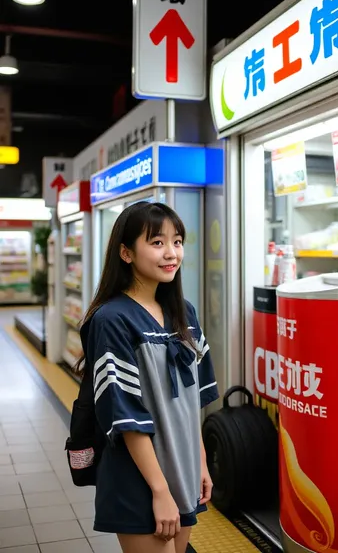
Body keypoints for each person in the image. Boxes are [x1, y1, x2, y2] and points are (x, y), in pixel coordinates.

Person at [79, 201, 219, 553]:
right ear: (126, 253)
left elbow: (191, 402)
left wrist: (200, 463)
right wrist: (159, 491)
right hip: (138, 476)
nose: (171, 253)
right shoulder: (111, 319)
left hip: (182, 466)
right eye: (157, 243)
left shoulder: (183, 312)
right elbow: (125, 416)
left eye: (177, 241)